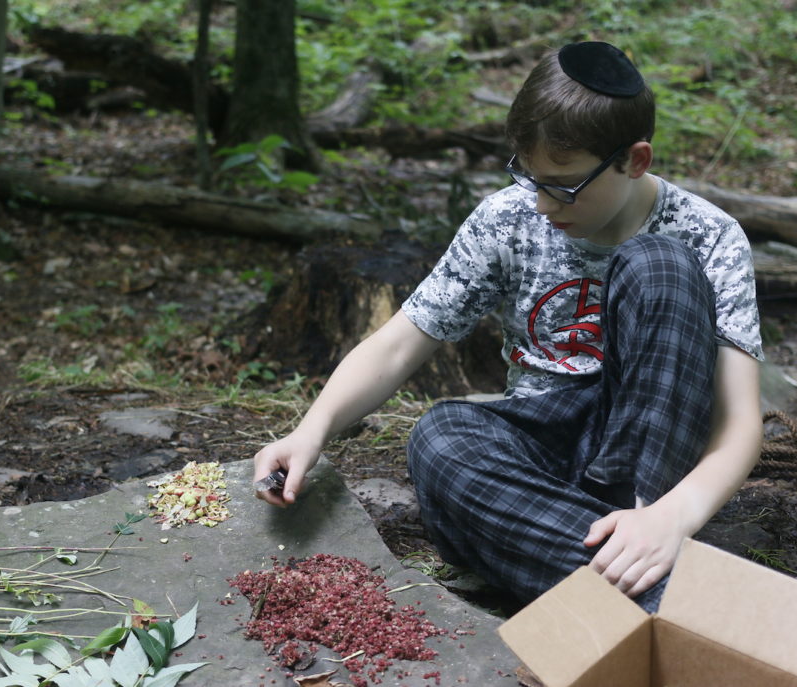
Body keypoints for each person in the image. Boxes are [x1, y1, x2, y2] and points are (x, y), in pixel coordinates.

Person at [252, 41, 763, 612]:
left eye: (563, 186)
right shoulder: (506, 219)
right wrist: (311, 431)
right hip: (537, 443)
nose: (543, 204)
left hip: (648, 464)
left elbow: (740, 422)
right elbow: (399, 344)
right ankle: (655, 588)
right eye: (529, 177)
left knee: (660, 264)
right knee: (440, 436)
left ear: (635, 160)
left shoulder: (708, 235)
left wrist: (670, 516)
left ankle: (631, 557)